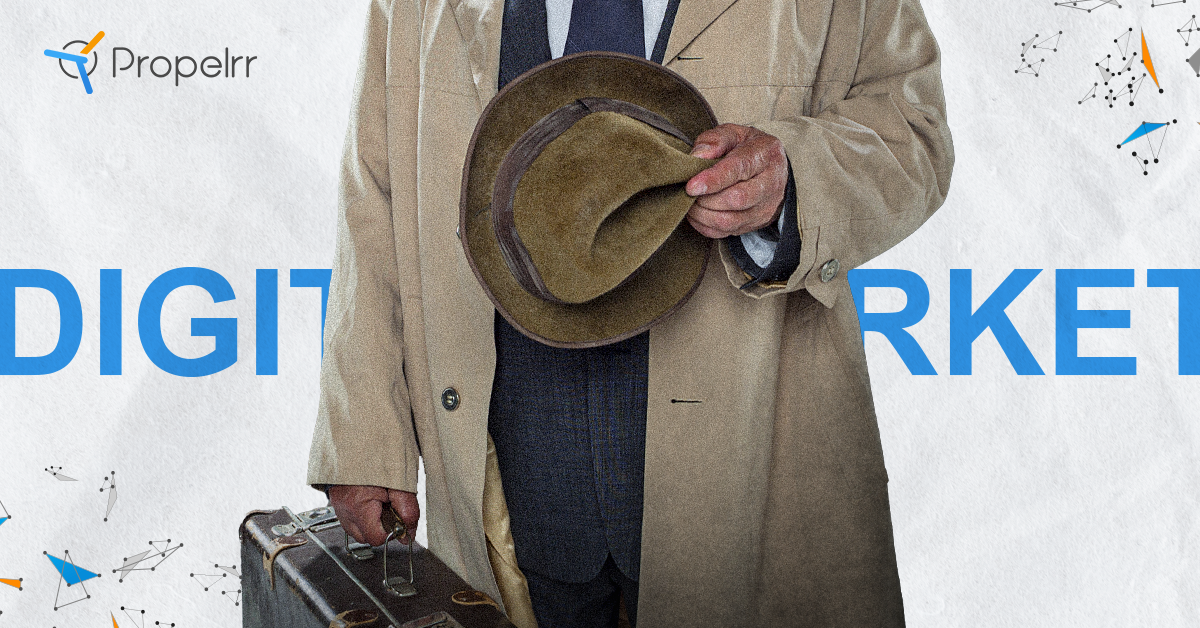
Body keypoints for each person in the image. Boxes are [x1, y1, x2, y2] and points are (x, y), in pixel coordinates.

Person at [307, 0, 954, 625]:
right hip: (509, 466)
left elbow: (912, 131)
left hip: (748, 460)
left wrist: (794, 180)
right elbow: (376, 187)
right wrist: (366, 439)